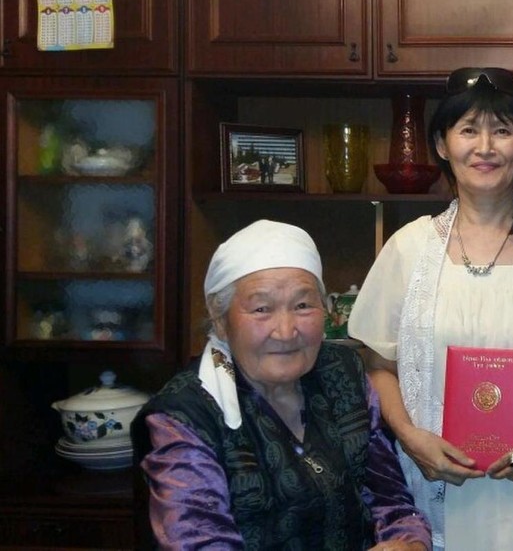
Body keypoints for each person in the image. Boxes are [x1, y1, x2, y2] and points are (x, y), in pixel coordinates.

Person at [349, 67, 513, 550]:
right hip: (436, 480)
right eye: (469, 130)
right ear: (442, 144)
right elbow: (378, 364)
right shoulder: (409, 249)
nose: (485, 147)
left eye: (502, 131)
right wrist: (409, 435)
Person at [131, 219, 431, 550]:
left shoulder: (343, 373)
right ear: (220, 319)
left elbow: (390, 500)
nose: (286, 331)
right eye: (262, 309)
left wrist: (408, 542)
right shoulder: (184, 416)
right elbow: (197, 539)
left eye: (303, 306)